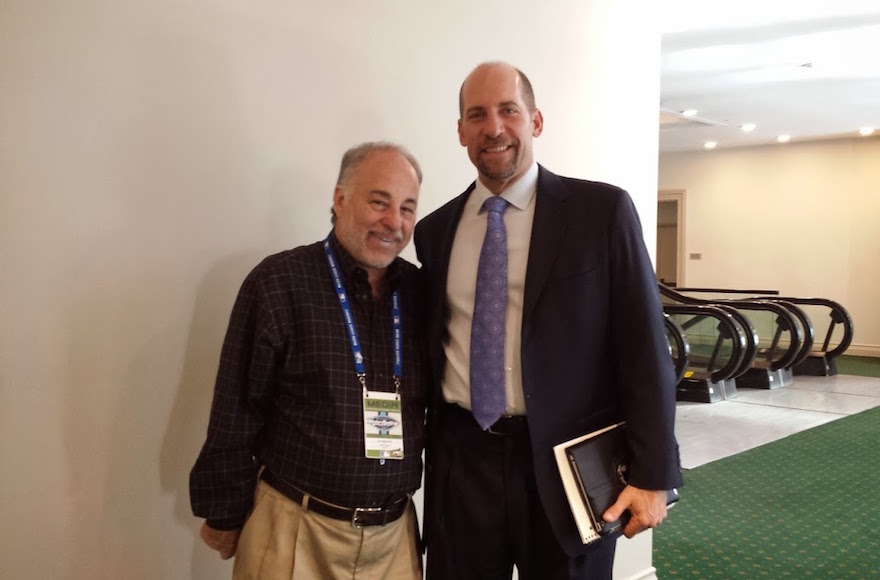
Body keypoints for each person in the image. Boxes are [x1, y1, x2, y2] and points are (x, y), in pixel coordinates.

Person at [413, 62, 682, 579]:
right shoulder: (435, 230)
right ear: (462, 132)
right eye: (477, 115)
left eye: (508, 110)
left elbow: (644, 348)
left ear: (535, 121)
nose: (493, 128)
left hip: (570, 468)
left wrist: (654, 474)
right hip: (462, 462)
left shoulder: (601, 212)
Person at [190, 141, 428, 579]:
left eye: (407, 208)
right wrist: (224, 512)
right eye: (379, 202)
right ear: (340, 199)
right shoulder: (279, 283)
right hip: (294, 532)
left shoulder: (421, 294)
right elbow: (236, 408)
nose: (394, 222)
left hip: (394, 542)